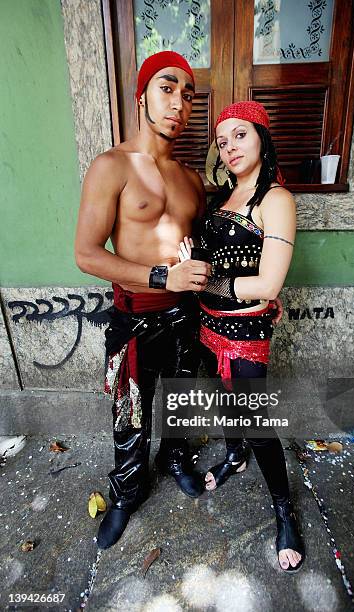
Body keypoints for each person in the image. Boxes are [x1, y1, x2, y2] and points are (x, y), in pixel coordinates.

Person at [74, 51, 212, 550]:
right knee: (130, 417)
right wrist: (162, 275)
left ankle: (173, 459)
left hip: (186, 318)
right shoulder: (112, 166)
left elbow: (211, 243)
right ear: (142, 96)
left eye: (188, 95)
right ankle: (128, 492)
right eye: (167, 88)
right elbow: (87, 254)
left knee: (180, 403)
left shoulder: (193, 180)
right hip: (133, 319)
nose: (179, 103)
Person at [179, 101, 305, 572]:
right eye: (223, 139)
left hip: (247, 327)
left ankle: (283, 508)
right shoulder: (220, 201)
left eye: (240, 135)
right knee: (222, 401)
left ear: (261, 138)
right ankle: (233, 455)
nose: (229, 146)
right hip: (206, 322)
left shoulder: (276, 200)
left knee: (257, 422)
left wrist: (206, 282)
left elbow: (268, 284)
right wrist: (190, 256)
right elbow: (208, 263)